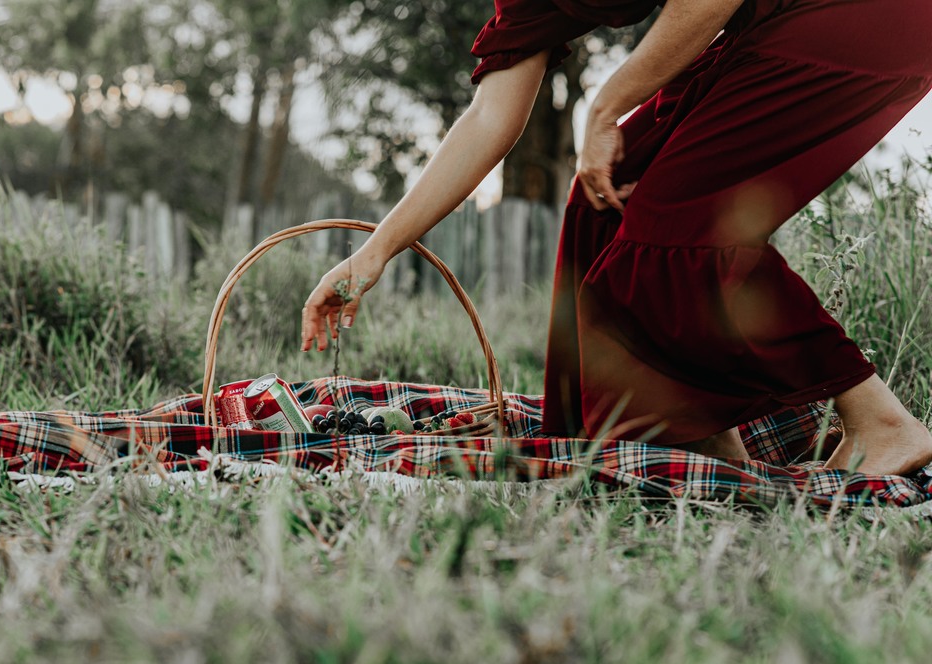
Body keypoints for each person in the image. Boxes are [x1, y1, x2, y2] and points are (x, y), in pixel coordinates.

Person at [300, 0, 932, 476]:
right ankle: (692, 432)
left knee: (679, 224)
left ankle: (880, 422)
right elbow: (490, 118)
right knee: (606, 198)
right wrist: (375, 251)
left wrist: (606, 106)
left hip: (864, 13)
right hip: (772, 20)